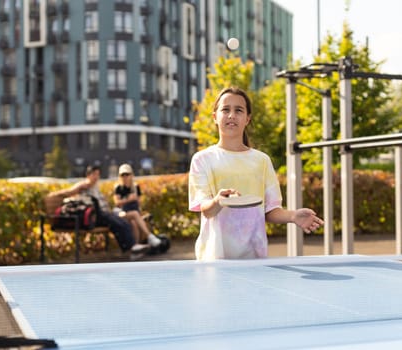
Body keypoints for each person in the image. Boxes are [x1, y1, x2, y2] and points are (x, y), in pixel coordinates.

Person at [188, 87, 324, 261]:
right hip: (214, 258)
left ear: (247, 119)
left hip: (254, 256)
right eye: (225, 109)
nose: (231, 115)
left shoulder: (262, 161)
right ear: (215, 117)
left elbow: (270, 211)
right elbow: (206, 210)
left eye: (238, 110)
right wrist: (218, 201)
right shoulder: (202, 159)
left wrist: (293, 216)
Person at [68, 165, 150, 258]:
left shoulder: (95, 187)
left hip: (103, 214)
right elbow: (69, 192)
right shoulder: (83, 185)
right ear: (88, 175)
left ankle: (132, 248)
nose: (96, 177)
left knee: (121, 222)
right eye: (94, 174)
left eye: (98, 175)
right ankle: (133, 247)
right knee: (117, 221)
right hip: (95, 216)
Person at [113, 163, 162, 248]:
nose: (125, 177)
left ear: (131, 175)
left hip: (134, 213)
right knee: (135, 215)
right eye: (122, 175)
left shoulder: (135, 187)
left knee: (134, 221)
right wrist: (128, 199)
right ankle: (149, 236)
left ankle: (135, 247)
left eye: (127, 174)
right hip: (122, 213)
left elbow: (139, 203)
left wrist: (135, 200)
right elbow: (117, 203)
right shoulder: (118, 188)